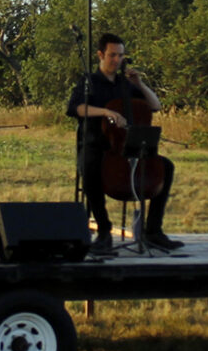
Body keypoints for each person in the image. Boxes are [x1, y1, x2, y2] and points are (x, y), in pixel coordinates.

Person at [67, 33, 181, 252]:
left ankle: (153, 231)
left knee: (166, 167)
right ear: (100, 55)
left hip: (126, 145)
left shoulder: (126, 85)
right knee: (90, 166)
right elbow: (76, 108)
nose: (116, 60)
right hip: (96, 144)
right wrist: (105, 112)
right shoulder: (89, 81)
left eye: (120, 55)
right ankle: (103, 230)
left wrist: (140, 83)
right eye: (112, 55)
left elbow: (155, 106)